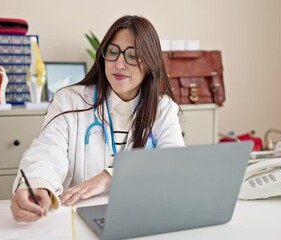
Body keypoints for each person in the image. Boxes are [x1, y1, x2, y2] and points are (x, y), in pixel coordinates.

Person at [10, 15, 185, 222]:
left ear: (150, 62)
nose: (119, 64)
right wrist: (38, 185)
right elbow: (47, 152)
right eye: (113, 52)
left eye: (132, 55)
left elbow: (174, 164)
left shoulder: (162, 108)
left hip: (139, 218)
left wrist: (110, 177)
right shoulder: (70, 101)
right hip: (75, 219)